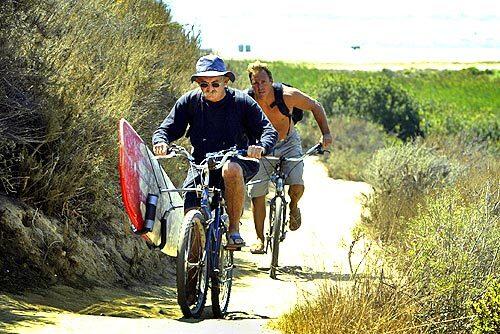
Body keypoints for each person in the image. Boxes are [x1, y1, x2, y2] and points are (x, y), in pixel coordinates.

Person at [152, 55, 278, 249]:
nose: (209, 88)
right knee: (191, 216)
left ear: (225, 81)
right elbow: (166, 129)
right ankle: (193, 265)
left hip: (238, 156)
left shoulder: (242, 102)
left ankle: (233, 231)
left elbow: (268, 130)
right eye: (204, 84)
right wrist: (161, 141)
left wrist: (260, 147)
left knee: (231, 169)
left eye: (215, 83)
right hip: (201, 162)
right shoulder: (190, 101)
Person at [246, 61, 332, 254]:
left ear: (271, 81)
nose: (259, 87)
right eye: (255, 83)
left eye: (263, 82)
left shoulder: (287, 96)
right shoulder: (247, 99)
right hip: (260, 147)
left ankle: (293, 207)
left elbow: (315, 106)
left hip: (288, 142)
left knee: (296, 181)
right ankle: (260, 239)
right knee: (256, 190)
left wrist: (325, 133)